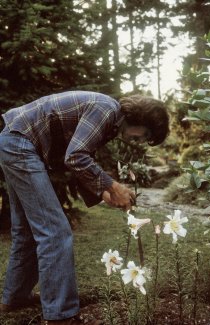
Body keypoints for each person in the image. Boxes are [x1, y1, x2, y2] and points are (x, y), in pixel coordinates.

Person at [0, 91, 169, 325]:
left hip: (14, 140)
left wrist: (103, 193)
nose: (139, 141)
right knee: (55, 232)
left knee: (27, 230)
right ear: (141, 118)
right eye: (144, 135)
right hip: (21, 143)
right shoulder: (108, 110)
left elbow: (78, 154)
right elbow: (76, 156)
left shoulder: (110, 120)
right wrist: (113, 185)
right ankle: (61, 315)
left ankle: (15, 297)